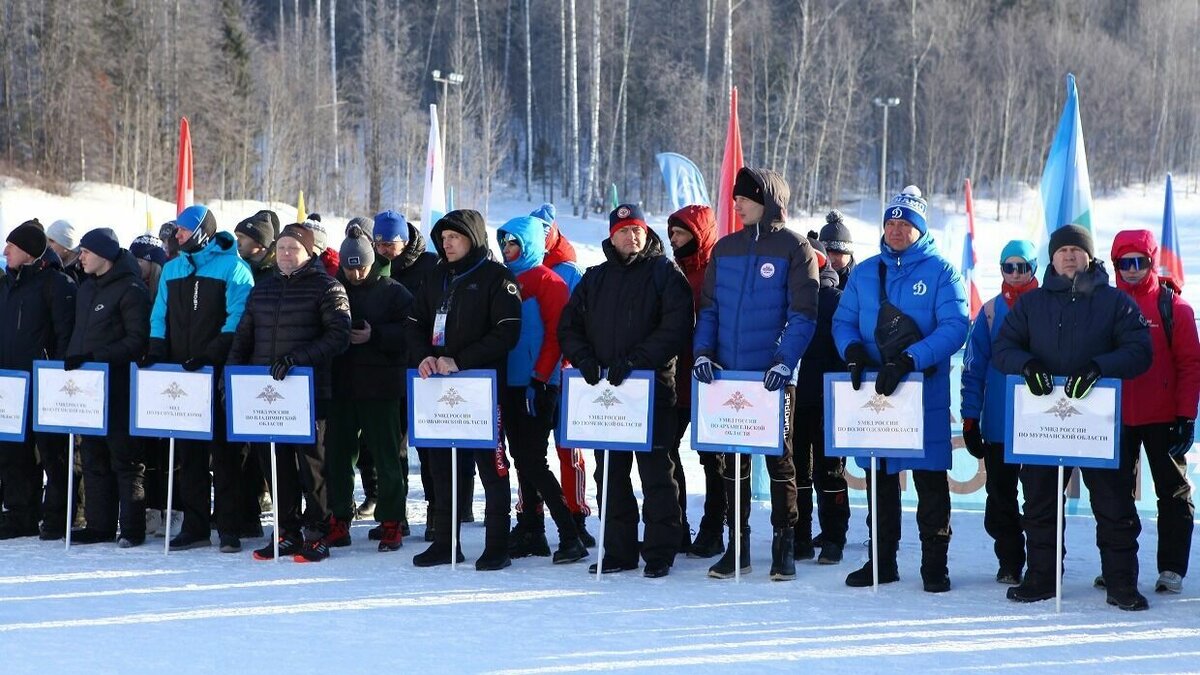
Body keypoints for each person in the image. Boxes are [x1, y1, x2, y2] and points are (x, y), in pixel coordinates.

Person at [993, 224, 1152, 610]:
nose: (1068, 255)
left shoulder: (1114, 302)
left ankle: (1121, 585)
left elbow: (1140, 350)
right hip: (1044, 425)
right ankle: (1042, 578)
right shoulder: (1032, 304)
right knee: (1040, 503)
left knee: (1114, 505)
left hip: (1098, 424)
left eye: (1076, 250)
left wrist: (1101, 367)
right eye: (1061, 250)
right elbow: (1003, 348)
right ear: (1051, 258)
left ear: (1089, 256)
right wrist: (1027, 365)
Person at [832, 185, 968, 593]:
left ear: (920, 229)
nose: (895, 229)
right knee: (879, 479)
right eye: (890, 222)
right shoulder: (864, 272)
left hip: (922, 392)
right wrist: (852, 350)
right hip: (876, 393)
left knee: (929, 482)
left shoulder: (942, 271)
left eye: (905, 223)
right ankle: (882, 561)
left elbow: (956, 326)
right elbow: (843, 322)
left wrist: (912, 359)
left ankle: (934, 565)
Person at [693, 167, 820, 581]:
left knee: (781, 463)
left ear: (767, 199)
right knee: (733, 464)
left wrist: (785, 361)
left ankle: (784, 544)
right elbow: (709, 309)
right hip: (727, 378)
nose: (737, 204)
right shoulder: (725, 249)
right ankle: (738, 547)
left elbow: (803, 314)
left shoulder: (794, 248)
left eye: (745, 197)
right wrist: (703, 352)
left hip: (772, 378)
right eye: (735, 198)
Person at [559, 204, 693, 577]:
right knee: (610, 474)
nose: (632, 237)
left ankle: (660, 551)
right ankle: (618, 550)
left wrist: (636, 360)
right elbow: (569, 326)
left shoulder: (665, 272)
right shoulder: (595, 277)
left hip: (651, 393)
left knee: (656, 475)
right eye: (624, 231)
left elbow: (677, 326)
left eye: (637, 230)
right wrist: (583, 358)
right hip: (605, 395)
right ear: (611, 235)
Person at [405, 209, 521, 570]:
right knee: (441, 467)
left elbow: (508, 331)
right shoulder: (434, 276)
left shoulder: (496, 278)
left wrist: (461, 360)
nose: (447, 243)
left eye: (454, 237)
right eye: (443, 238)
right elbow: (413, 323)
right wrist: (423, 355)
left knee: (492, 467)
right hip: (437, 390)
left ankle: (498, 545)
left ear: (472, 238)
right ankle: (445, 543)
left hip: (481, 391)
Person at [228, 223, 351, 562]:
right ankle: (286, 531)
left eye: (292, 248)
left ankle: (317, 532)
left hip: (310, 394)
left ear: (309, 252)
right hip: (266, 394)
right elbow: (244, 336)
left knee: (313, 467)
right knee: (274, 464)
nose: (285, 254)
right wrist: (232, 375)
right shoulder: (263, 290)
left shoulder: (329, 287)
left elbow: (338, 336)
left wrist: (297, 359)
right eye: (281, 248)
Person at [145, 204, 256, 553]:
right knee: (188, 455)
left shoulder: (235, 268)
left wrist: (213, 355)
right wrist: (156, 349)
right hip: (182, 374)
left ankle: (228, 526)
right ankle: (194, 526)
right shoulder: (172, 268)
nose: (175, 235)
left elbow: (238, 317)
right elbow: (159, 312)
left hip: (217, 373)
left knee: (224, 456)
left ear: (200, 232)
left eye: (182, 230)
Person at [1109, 229, 1199, 594]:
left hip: (1162, 417)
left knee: (1173, 492)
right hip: (1114, 418)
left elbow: (1191, 364)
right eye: (1124, 263)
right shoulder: (1106, 305)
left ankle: (1172, 568)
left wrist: (1185, 416)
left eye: (1139, 262)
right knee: (1113, 495)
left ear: (1151, 261)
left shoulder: (1174, 307)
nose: (1132, 270)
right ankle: (1118, 565)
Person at [495, 215, 587, 564]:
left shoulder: (550, 281)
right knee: (522, 459)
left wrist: (540, 376)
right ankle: (533, 529)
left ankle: (569, 533)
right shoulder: (505, 279)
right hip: (510, 383)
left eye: (514, 242)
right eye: (504, 243)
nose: (507, 249)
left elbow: (555, 336)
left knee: (533, 460)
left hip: (539, 385)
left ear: (530, 244)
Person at [325, 224, 414, 553]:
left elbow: (411, 333)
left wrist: (375, 335)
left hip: (381, 387)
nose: (355, 272)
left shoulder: (393, 291)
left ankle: (392, 521)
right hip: (342, 386)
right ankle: (339, 518)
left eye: (360, 265)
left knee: (386, 457)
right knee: (338, 457)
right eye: (349, 266)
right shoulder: (334, 287)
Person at [64, 228, 151, 547]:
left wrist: (96, 357)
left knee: (125, 460)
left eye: (86, 251)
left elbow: (137, 340)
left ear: (104, 255)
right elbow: (79, 334)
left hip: (118, 386)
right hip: (88, 389)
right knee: (92, 457)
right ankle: (99, 526)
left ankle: (131, 529)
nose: (81, 257)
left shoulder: (131, 288)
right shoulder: (86, 288)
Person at [960, 239, 1039, 585]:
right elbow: (973, 368)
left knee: (1041, 497)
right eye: (1009, 267)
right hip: (998, 423)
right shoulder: (991, 312)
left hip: (1042, 422)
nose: (1016, 273)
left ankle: (1045, 560)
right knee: (1001, 496)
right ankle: (1009, 559)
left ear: (1034, 267)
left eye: (1023, 266)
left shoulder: (1050, 307)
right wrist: (970, 417)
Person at [518, 203, 595, 548]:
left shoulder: (570, 271)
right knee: (529, 451)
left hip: (565, 376)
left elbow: (580, 324)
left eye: (544, 229)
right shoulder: (518, 267)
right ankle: (529, 514)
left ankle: (576, 515)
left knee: (569, 448)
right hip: (531, 374)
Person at [0, 220, 75, 540]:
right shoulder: (6, 283)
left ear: (29, 252)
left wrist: (55, 373)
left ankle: (58, 517)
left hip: (44, 382)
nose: (5, 251)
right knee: (13, 454)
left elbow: (64, 334)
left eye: (12, 247)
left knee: (52, 454)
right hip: (10, 385)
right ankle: (20, 515)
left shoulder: (55, 284)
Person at [373, 209, 444, 539]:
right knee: (392, 446)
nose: (385, 248)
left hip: (422, 367)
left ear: (406, 239)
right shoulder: (372, 266)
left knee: (429, 446)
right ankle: (395, 514)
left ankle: (436, 511)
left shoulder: (429, 266)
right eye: (379, 242)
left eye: (391, 242)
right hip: (385, 369)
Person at [664, 204, 723, 558]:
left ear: (699, 234)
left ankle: (714, 528)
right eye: (671, 233)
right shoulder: (672, 274)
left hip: (709, 378)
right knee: (666, 452)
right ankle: (677, 524)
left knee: (713, 459)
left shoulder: (717, 274)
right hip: (674, 377)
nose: (674, 240)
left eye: (681, 233)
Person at [792, 234, 849, 565]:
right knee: (796, 471)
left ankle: (833, 538)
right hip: (794, 401)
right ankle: (800, 537)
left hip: (829, 402)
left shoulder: (836, 300)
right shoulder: (787, 301)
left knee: (829, 473)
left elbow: (845, 349)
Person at [235, 210, 280, 281]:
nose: (237, 242)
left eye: (242, 237)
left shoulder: (280, 274)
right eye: (237, 237)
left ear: (260, 242)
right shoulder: (238, 269)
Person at [818, 210, 855, 290]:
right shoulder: (813, 276)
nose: (831, 259)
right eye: (826, 253)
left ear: (848, 254)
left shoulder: (860, 280)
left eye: (836, 253)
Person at [46, 219, 85, 284]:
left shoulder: (86, 271)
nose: (48, 245)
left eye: (52, 241)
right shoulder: (50, 265)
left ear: (66, 246)